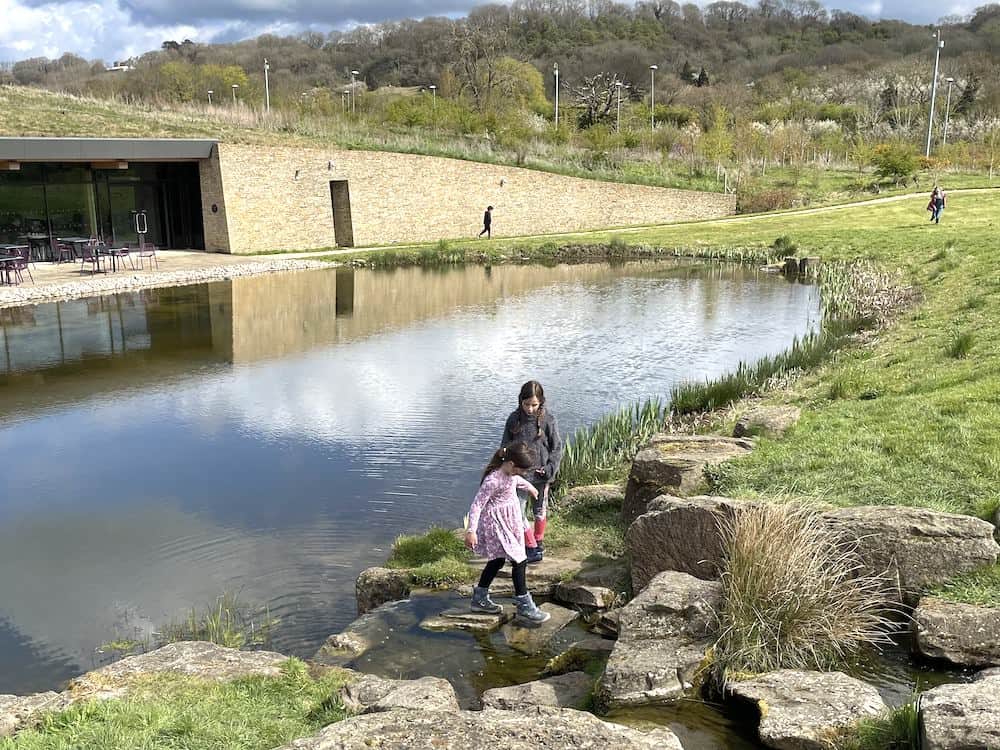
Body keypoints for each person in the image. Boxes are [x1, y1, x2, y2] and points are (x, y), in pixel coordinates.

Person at [465, 443, 551, 624]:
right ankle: (524, 605)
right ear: (511, 464)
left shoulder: (511, 475)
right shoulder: (493, 480)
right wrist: (471, 531)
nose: (523, 473)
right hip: (497, 525)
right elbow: (477, 505)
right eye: (521, 469)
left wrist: (530, 487)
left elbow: (516, 481)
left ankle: (479, 598)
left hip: (510, 524)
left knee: (496, 560)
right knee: (520, 560)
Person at [501, 380, 562, 564]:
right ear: (521, 401)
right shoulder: (513, 420)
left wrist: (550, 469)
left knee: (539, 510)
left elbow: (557, 448)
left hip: (541, 476)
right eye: (526, 404)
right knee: (516, 512)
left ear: (541, 402)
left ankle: (538, 543)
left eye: (534, 405)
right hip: (518, 476)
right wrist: (505, 466)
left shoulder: (548, 420)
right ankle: (531, 545)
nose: (530, 409)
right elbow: (504, 446)